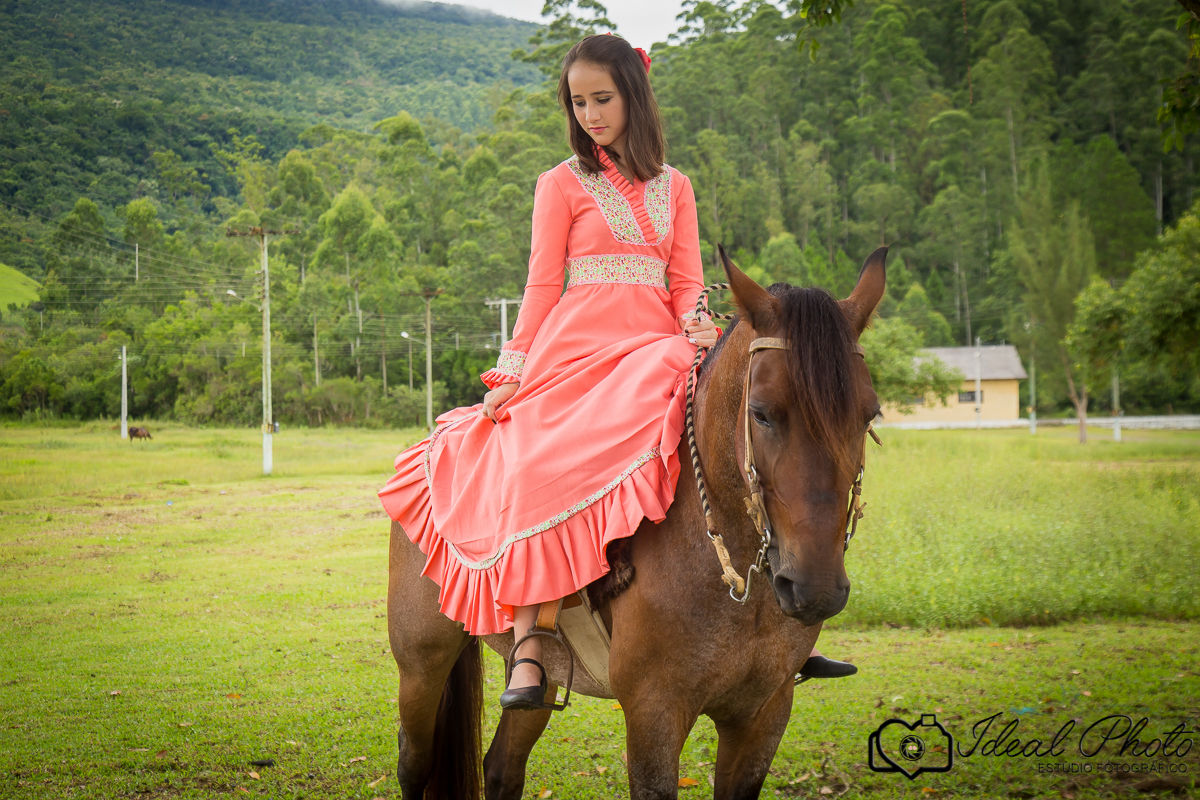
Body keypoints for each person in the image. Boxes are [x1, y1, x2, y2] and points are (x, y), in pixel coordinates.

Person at [378, 33, 852, 713]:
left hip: (660, 345)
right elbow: (542, 287)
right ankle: (532, 639)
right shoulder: (560, 184)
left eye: (603, 98)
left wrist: (696, 320)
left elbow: (688, 280)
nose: (592, 114)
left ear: (634, 95)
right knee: (540, 461)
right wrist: (512, 369)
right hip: (577, 349)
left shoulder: (676, 186)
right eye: (579, 102)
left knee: (750, 446)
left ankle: (786, 633)